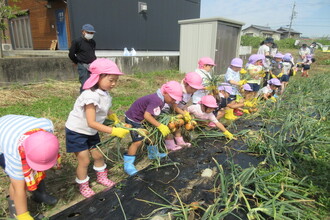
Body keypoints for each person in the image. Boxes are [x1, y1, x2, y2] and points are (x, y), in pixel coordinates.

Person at [65, 58, 129, 198]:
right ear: (97, 77)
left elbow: (106, 108)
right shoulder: (90, 96)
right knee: (84, 160)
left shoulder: (104, 93)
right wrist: (114, 131)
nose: (114, 84)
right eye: (111, 80)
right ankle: (83, 185)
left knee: (99, 155)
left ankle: (101, 178)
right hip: (77, 131)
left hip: (90, 132)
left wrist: (113, 117)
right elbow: (91, 122)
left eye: (116, 80)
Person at [0, 115, 60, 220]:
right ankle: (15, 214)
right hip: (4, 142)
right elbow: (18, 188)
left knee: (36, 170)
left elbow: (46, 148)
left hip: (16, 127)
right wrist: (23, 216)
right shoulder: (14, 155)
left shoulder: (47, 127)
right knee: (18, 184)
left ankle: (39, 194)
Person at [124, 81, 183, 175]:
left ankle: (153, 154)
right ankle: (128, 164)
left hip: (142, 119)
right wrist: (160, 125)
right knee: (137, 141)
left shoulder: (162, 99)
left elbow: (152, 113)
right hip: (135, 119)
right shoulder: (157, 100)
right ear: (165, 93)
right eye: (173, 99)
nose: (174, 101)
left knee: (151, 134)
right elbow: (147, 115)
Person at [162, 72, 204, 151]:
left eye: (196, 89)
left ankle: (179, 141)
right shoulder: (180, 91)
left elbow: (183, 104)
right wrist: (184, 114)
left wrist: (184, 111)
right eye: (192, 88)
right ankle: (169, 144)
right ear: (185, 83)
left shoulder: (190, 92)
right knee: (169, 126)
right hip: (166, 110)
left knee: (179, 124)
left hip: (177, 110)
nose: (194, 91)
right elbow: (174, 106)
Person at [69, 24, 97, 93]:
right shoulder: (77, 41)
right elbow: (71, 54)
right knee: (85, 83)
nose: (90, 34)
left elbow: (92, 53)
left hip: (92, 65)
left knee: (94, 83)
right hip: (83, 65)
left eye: (92, 33)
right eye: (89, 32)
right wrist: (77, 62)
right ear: (83, 32)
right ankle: (83, 100)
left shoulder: (93, 42)